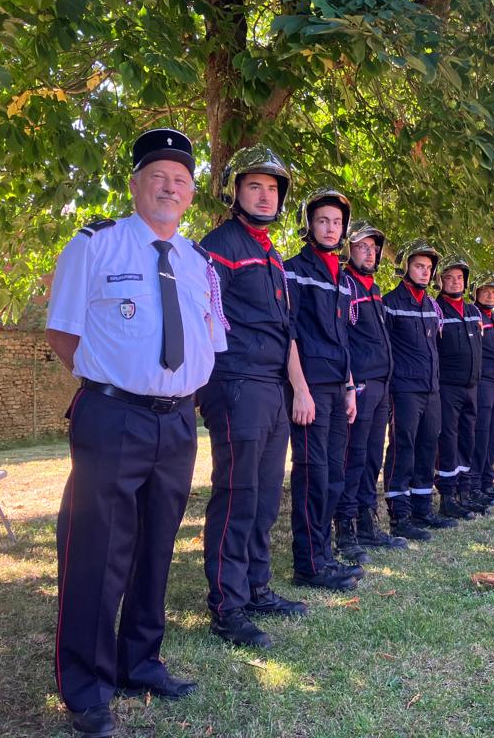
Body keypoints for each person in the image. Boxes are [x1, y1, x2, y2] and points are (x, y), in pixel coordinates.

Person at [46, 128, 227, 737]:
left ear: (192, 193)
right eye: (158, 176)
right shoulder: (95, 245)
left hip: (177, 421)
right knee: (98, 549)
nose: (170, 187)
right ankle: (86, 685)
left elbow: (209, 343)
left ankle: (140, 660)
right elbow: (63, 335)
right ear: (135, 183)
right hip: (112, 415)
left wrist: (174, 398)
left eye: (181, 179)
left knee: (155, 546)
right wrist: (116, 384)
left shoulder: (200, 263)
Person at [198, 144, 309, 651]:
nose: (264, 195)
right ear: (235, 190)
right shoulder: (216, 246)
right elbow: (202, 320)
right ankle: (227, 604)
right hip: (236, 385)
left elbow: (285, 331)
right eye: (254, 186)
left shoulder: (271, 255)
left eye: (272, 188)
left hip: (273, 388)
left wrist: (298, 387)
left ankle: (257, 586)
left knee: (265, 498)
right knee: (238, 495)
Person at [284, 188, 362, 591]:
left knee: (333, 474)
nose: (331, 228)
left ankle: (324, 555)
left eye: (336, 222)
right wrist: (299, 388)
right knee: (313, 474)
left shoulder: (344, 279)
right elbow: (289, 333)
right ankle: (309, 563)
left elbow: (344, 338)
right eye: (323, 221)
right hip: (310, 389)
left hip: (337, 387)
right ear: (309, 225)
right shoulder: (293, 270)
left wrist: (350, 387)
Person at [336, 220, 407, 556]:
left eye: (373, 247)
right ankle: (345, 527)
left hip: (382, 385)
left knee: (372, 458)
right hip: (360, 385)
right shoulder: (345, 283)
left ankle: (367, 521)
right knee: (354, 456)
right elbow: (342, 338)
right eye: (362, 246)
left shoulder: (374, 288)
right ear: (350, 248)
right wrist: (349, 381)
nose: (369, 252)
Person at [382, 240, 455, 538]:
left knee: (428, 445)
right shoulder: (390, 302)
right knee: (403, 447)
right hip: (404, 390)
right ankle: (400, 515)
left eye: (428, 268)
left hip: (431, 389)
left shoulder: (431, 305)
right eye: (418, 266)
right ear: (405, 267)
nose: (424, 272)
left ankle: (422, 509)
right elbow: (384, 348)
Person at [433, 255, 488, 519]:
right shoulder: (435, 309)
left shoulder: (474, 311)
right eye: (449, 278)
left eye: (459, 278)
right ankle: (447, 496)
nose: (455, 282)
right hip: (447, 388)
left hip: (471, 387)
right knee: (448, 440)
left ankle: (464, 492)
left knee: (468, 438)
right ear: (440, 280)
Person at [468, 273, 494, 502]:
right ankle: (474, 484)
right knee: (481, 434)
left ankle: (487, 480)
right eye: (485, 290)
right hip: (482, 383)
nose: (489, 294)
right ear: (475, 292)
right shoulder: (473, 314)